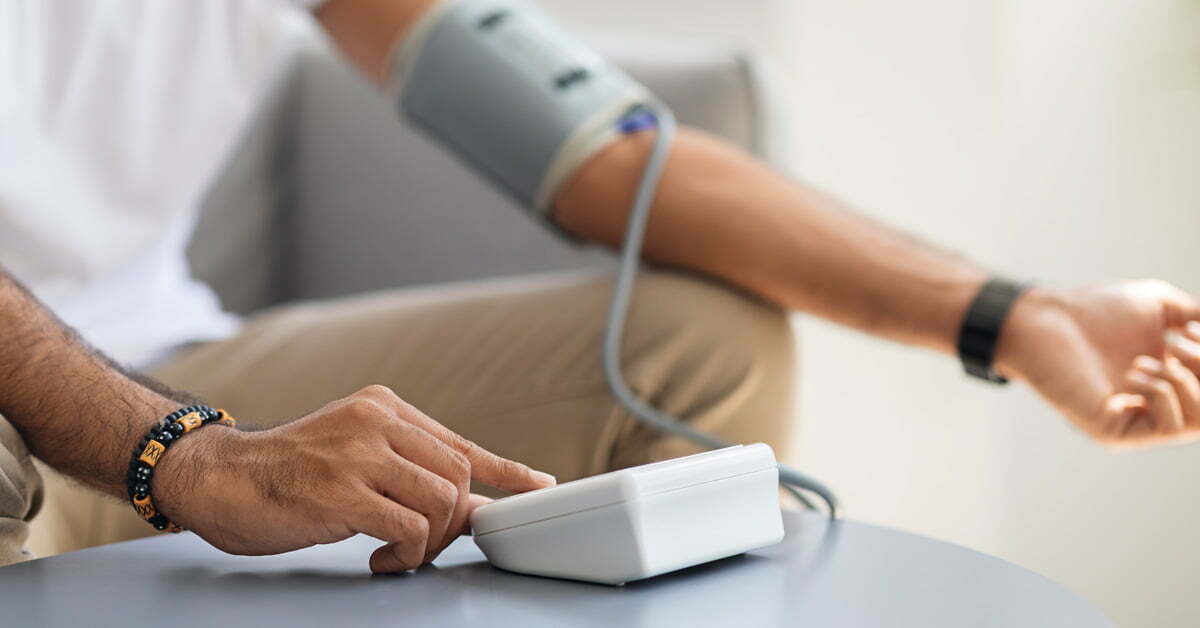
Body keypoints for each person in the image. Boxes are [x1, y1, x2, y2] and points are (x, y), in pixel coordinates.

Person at [3, 0, 1199, 572]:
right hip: (24, 419)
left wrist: (1013, 314)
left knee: (706, 343)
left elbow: (605, 156)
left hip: (160, 354)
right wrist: (189, 456)